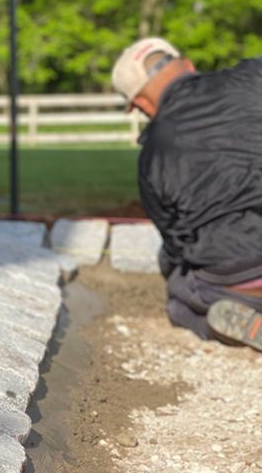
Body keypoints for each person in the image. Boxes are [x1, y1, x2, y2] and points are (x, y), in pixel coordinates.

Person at [111, 36, 262, 351]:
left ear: (141, 105)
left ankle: (226, 320)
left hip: (237, 279)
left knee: (178, 298)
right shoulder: (253, 76)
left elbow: (176, 244)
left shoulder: (152, 155)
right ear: (189, 66)